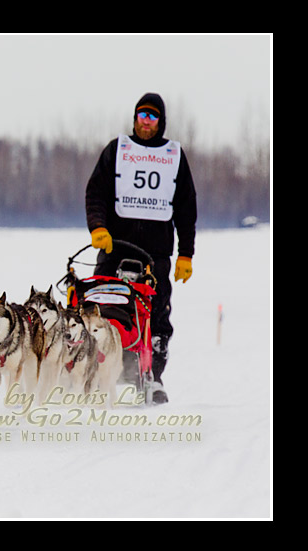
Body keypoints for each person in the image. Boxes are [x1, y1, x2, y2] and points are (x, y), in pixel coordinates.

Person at [85, 92, 197, 404]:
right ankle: (93, 373)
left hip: (156, 254)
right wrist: (98, 227)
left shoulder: (174, 154)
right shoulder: (117, 150)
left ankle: (153, 377)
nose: (146, 122)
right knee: (98, 309)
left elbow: (186, 208)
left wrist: (186, 253)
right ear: (135, 118)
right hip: (114, 246)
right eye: (142, 115)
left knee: (157, 317)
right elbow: (96, 193)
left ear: (161, 122)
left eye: (152, 116)